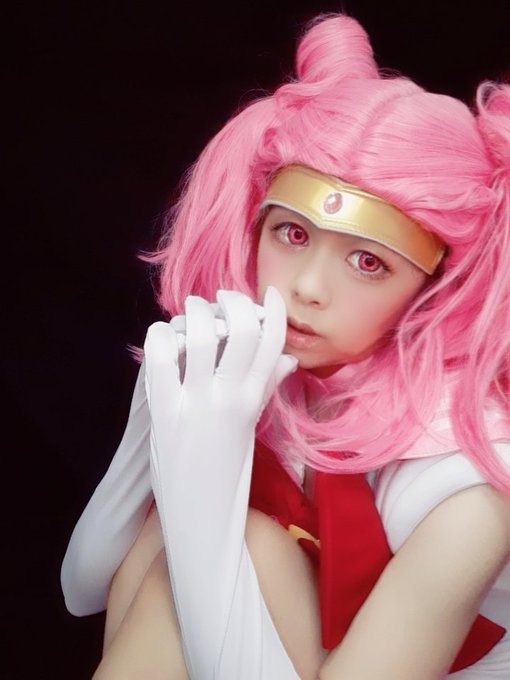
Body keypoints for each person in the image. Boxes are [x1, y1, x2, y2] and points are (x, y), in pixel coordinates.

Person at [61, 13, 510, 679]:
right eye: (293, 235)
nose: (306, 288)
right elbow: (82, 591)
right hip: (252, 644)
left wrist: (199, 487)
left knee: (240, 537)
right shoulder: (254, 371)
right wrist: (155, 423)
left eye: (368, 262)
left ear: (434, 286)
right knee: (202, 544)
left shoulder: (471, 480)